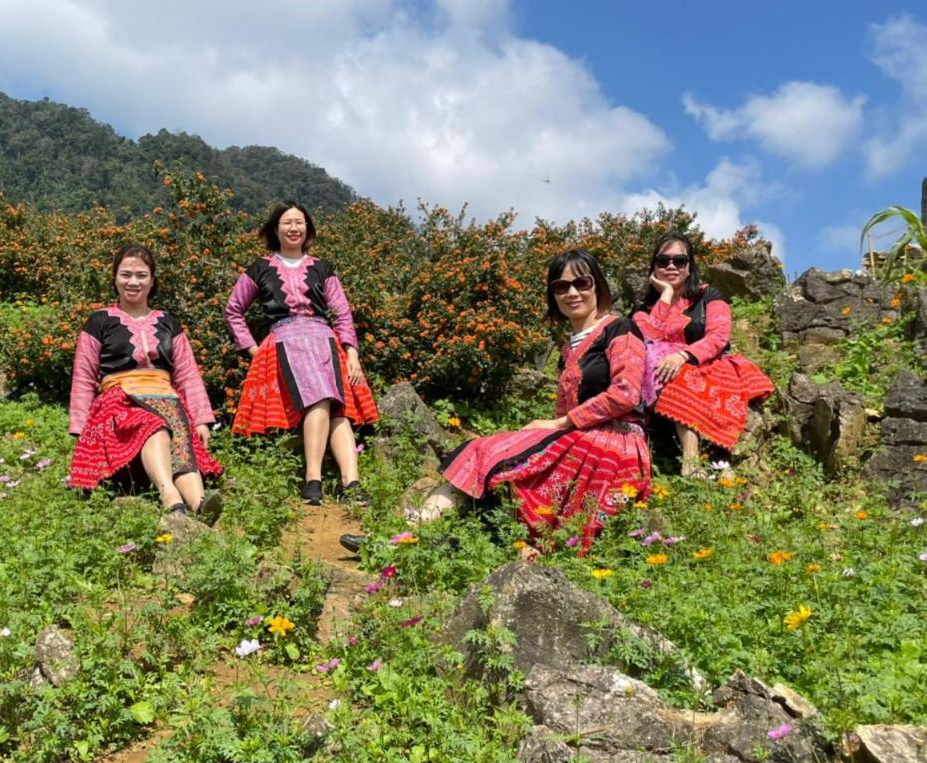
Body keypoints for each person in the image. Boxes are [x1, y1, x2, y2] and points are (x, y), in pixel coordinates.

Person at [341, 249, 650, 555]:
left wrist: (558, 424)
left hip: (617, 441)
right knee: (496, 464)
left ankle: (414, 532)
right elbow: (563, 411)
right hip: (581, 437)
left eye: (581, 283)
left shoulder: (619, 328)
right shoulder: (569, 349)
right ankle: (415, 536)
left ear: (598, 285)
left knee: (493, 457)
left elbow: (626, 393)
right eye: (561, 286)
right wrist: (553, 427)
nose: (571, 292)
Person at [225, 201, 378, 506]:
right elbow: (234, 310)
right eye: (287, 223)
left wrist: (352, 353)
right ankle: (314, 479)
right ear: (275, 229)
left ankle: (350, 483)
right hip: (285, 342)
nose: (294, 228)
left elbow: (342, 313)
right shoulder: (260, 268)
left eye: (299, 222)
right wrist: (255, 350)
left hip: (325, 340)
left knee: (339, 408)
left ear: (307, 228)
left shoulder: (322, 268)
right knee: (322, 398)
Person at [68, 244, 222, 520]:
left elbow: (187, 373)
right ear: (114, 278)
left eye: (141, 275)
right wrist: (80, 429)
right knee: (154, 423)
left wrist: (201, 419)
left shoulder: (167, 322)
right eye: (126, 275)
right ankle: (170, 497)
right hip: (120, 402)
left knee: (178, 428)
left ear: (152, 281)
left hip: (167, 398)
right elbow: (83, 375)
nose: (133, 282)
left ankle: (200, 504)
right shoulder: (99, 321)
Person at [632, 232, 774, 476]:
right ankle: (689, 464)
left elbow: (718, 337)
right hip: (659, 371)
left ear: (690, 267)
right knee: (666, 370)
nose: (671, 266)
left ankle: (698, 461)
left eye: (679, 261)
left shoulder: (709, 296)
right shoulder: (641, 310)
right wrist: (665, 294)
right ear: (654, 267)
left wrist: (683, 356)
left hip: (708, 364)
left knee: (680, 374)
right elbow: (649, 339)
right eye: (664, 260)